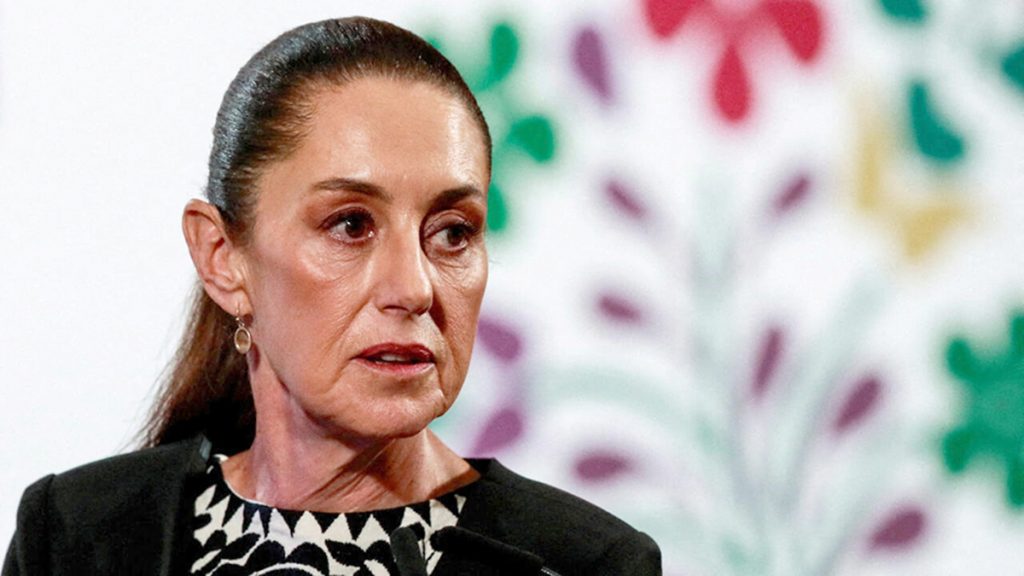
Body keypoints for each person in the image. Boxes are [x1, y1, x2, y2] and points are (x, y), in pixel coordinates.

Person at [2, 16, 661, 576]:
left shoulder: (583, 564)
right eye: (350, 225)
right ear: (223, 258)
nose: (413, 288)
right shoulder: (77, 536)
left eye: (453, 232)